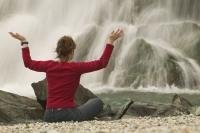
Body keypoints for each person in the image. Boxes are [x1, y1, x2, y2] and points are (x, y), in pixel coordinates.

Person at [9, 29, 123, 122]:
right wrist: (110, 41)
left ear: (58, 51)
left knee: (83, 106)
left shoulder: (49, 65)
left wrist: (24, 41)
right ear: (72, 51)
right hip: (68, 115)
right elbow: (102, 63)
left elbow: (28, 63)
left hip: (48, 115)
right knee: (96, 102)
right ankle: (104, 115)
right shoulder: (76, 67)